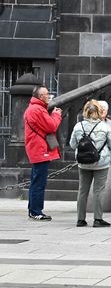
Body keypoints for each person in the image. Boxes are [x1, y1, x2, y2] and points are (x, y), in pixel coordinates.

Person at [69, 100, 111, 227]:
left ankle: (80, 219)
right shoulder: (105, 127)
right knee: (98, 191)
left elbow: (72, 144)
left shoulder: (78, 126)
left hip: (83, 163)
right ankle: (98, 219)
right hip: (101, 163)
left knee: (82, 190)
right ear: (98, 111)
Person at [23, 85, 62, 221]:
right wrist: (56, 115)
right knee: (39, 182)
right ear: (40, 96)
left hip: (37, 149)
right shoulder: (37, 109)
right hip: (39, 150)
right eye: (46, 94)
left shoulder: (35, 108)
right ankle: (36, 211)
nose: (49, 96)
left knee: (36, 181)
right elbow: (51, 126)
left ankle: (33, 210)